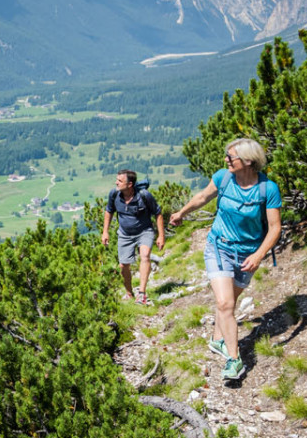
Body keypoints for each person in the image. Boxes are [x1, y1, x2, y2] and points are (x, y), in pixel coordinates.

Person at [169, 138, 282, 382]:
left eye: (231, 157)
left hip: (248, 253)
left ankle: (217, 339)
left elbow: (274, 228)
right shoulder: (223, 177)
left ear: (248, 160)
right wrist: (181, 213)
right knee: (225, 304)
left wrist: (258, 254)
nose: (226, 160)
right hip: (218, 247)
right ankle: (234, 360)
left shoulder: (267, 189)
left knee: (230, 300)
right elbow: (202, 197)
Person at [100, 170, 164, 305]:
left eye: (120, 181)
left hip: (144, 231)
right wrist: (105, 231)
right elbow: (109, 211)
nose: (116, 183)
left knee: (145, 256)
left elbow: (158, 214)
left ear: (130, 184)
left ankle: (142, 294)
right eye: (116, 179)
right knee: (123, 266)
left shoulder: (144, 195)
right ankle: (129, 293)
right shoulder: (114, 194)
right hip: (125, 234)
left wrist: (161, 236)